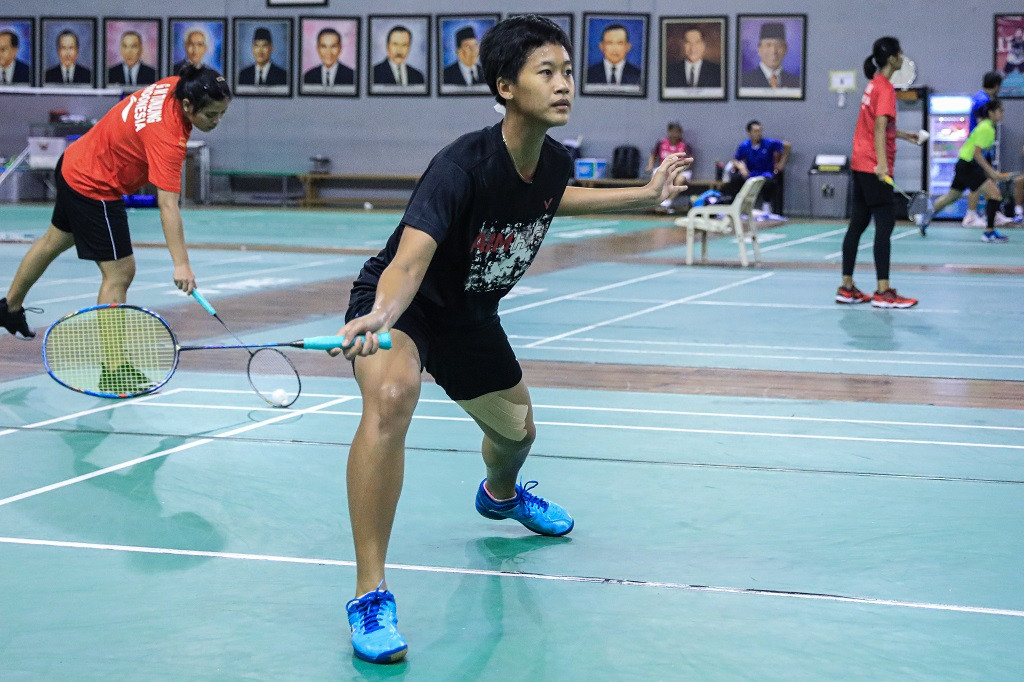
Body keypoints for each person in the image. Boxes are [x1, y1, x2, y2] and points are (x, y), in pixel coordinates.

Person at [329, 14, 690, 665]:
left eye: (568, 72)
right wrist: (381, 314)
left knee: (518, 435)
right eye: (546, 73)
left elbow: (558, 197)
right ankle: (369, 593)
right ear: (505, 87)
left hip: (472, 321)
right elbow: (409, 261)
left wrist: (648, 193)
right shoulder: (459, 167)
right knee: (391, 400)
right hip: (406, 312)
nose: (564, 85)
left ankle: (499, 496)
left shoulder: (551, 160)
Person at [0, 66, 231, 343]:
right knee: (120, 272)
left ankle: (8, 308)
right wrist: (181, 265)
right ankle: (113, 369)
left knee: (53, 241)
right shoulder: (168, 138)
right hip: (95, 185)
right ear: (186, 105)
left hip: (75, 161)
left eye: (222, 113)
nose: (217, 121)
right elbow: (168, 205)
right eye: (210, 114)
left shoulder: (176, 85)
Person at [835, 37, 925, 309]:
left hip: (860, 163)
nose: (903, 57)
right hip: (875, 167)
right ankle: (883, 291)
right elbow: (877, 129)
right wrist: (883, 165)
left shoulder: (873, 84)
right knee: (885, 225)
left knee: (858, 225)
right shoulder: (885, 88)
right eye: (900, 52)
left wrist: (906, 135)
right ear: (893, 59)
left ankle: (847, 287)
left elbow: (878, 126)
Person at [917, 100, 1011, 242]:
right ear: (991, 113)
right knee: (995, 194)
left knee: (951, 197)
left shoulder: (985, 126)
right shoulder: (987, 128)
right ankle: (989, 233)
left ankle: (924, 217)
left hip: (963, 164)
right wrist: (991, 173)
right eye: (1000, 110)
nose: (1002, 113)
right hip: (968, 165)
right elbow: (977, 153)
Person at [962, 72, 1013, 227]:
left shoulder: (982, 98)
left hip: (984, 147)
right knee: (977, 182)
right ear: (996, 86)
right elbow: (980, 124)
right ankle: (970, 215)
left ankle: (993, 213)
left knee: (989, 181)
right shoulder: (982, 100)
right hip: (978, 148)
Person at [724, 120, 790, 215]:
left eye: (760, 131)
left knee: (768, 182)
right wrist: (742, 168)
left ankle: (766, 206)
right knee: (736, 178)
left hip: (766, 173)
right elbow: (735, 159)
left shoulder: (769, 143)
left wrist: (782, 163)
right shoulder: (744, 145)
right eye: (755, 131)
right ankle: (736, 206)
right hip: (751, 173)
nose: (758, 133)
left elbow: (787, 146)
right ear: (749, 133)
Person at [646, 122, 692, 212]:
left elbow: (689, 162)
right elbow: (653, 155)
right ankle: (657, 201)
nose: (674, 135)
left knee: (680, 179)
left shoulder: (685, 145)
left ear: (680, 133)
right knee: (656, 177)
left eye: (676, 132)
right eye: (672, 132)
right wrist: (650, 166)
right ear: (668, 132)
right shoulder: (661, 143)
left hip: (680, 170)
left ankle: (667, 203)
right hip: (664, 168)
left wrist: (678, 170)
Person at [740, 22, 799, 89]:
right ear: (759, 49)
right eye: (768, 45)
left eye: (778, 45)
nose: (773, 51)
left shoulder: (796, 82)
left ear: (785, 49)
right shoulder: (744, 81)